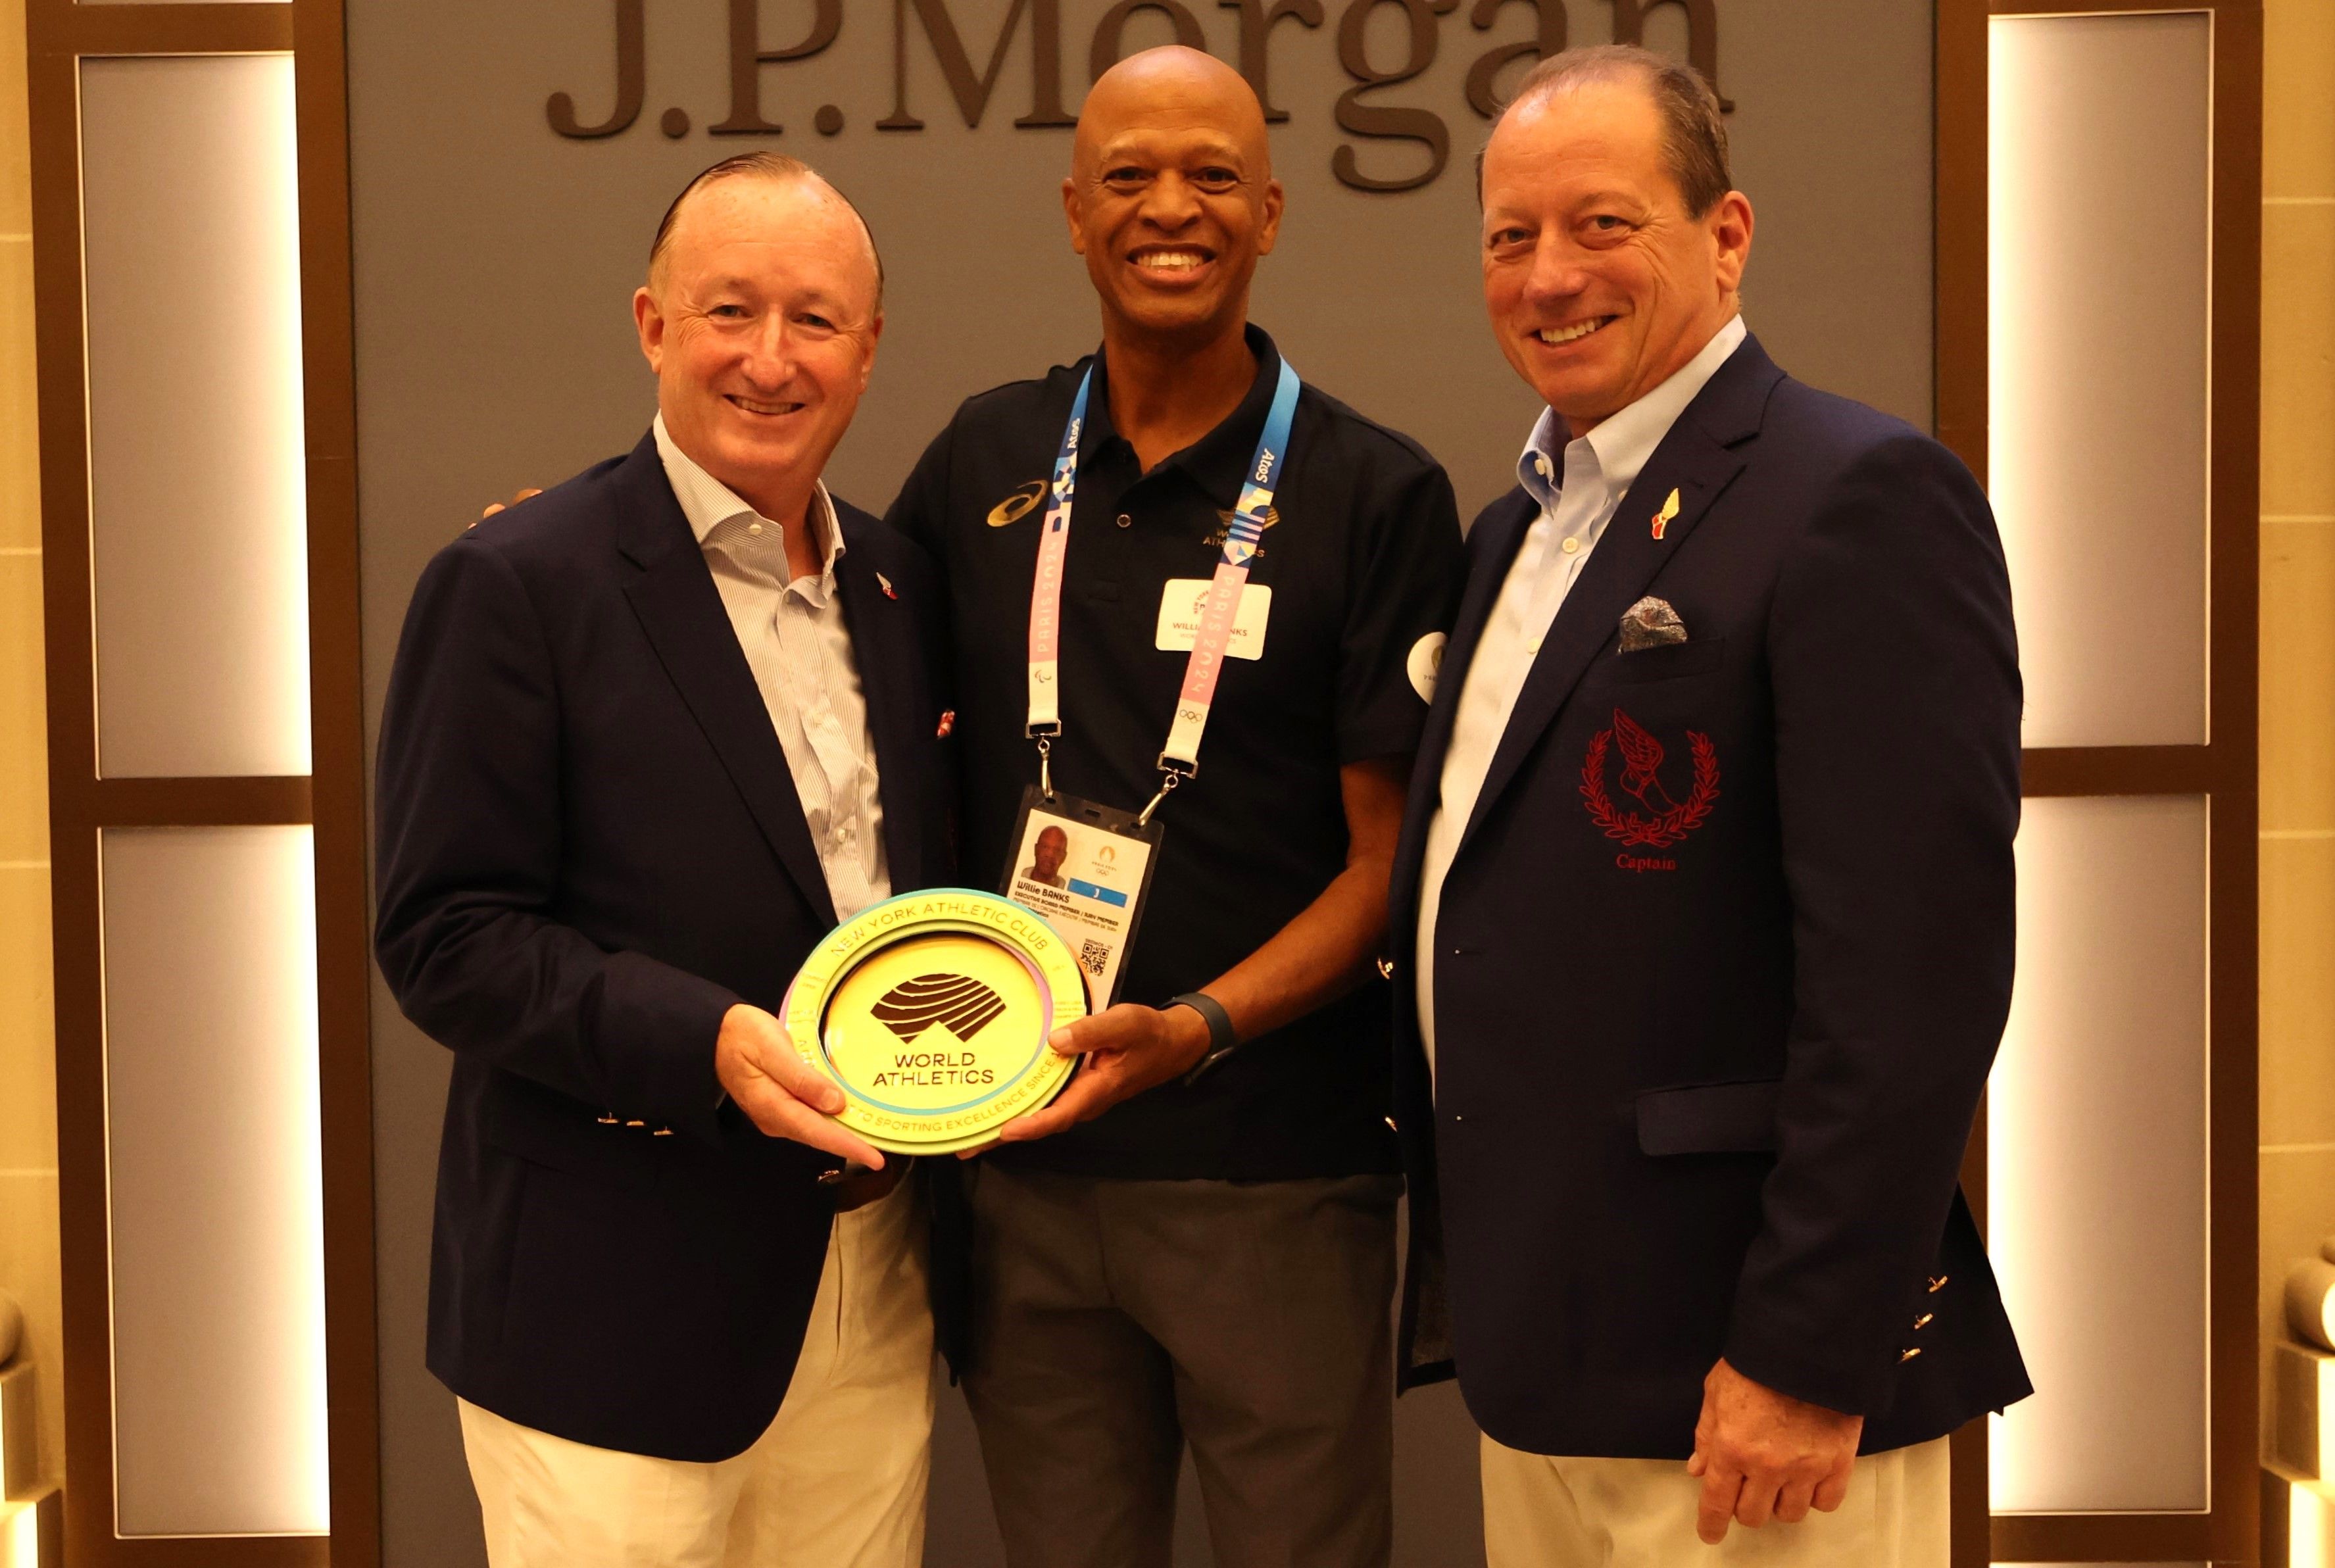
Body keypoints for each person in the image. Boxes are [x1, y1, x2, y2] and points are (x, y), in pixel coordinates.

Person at [1387, 45, 2031, 1566]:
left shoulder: (1854, 494)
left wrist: (1811, 1350)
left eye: (1604, 225)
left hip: (1752, 1386)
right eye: (1510, 235)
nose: (1551, 276)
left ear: (1725, 235)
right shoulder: (1512, 532)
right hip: (1549, 1361)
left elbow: (1912, 980)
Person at [885, 45, 1465, 1568]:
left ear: (1270, 211)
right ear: (1073, 212)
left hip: (1273, 1169)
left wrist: (1195, 1027)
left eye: (1211, 174)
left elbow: (1386, 862)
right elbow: (822, 651)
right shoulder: (985, 459)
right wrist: (580, 571)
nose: (1171, 208)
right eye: (1129, 175)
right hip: (1017, 1155)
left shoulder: (1372, 494)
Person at [374, 152, 954, 1568]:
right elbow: (443, 934)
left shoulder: (899, 586)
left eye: (814, 319)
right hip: (607, 1305)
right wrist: (707, 1041)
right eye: (727, 311)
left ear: (868, 349)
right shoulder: (519, 582)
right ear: (650, 324)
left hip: (871, 1282)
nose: (770, 358)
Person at [1021, 823, 1071, 888]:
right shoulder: (1015, 877)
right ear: (1036, 849)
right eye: (1045, 847)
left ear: (1064, 857)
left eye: (1057, 850)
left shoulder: (1070, 892)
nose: (1050, 854)